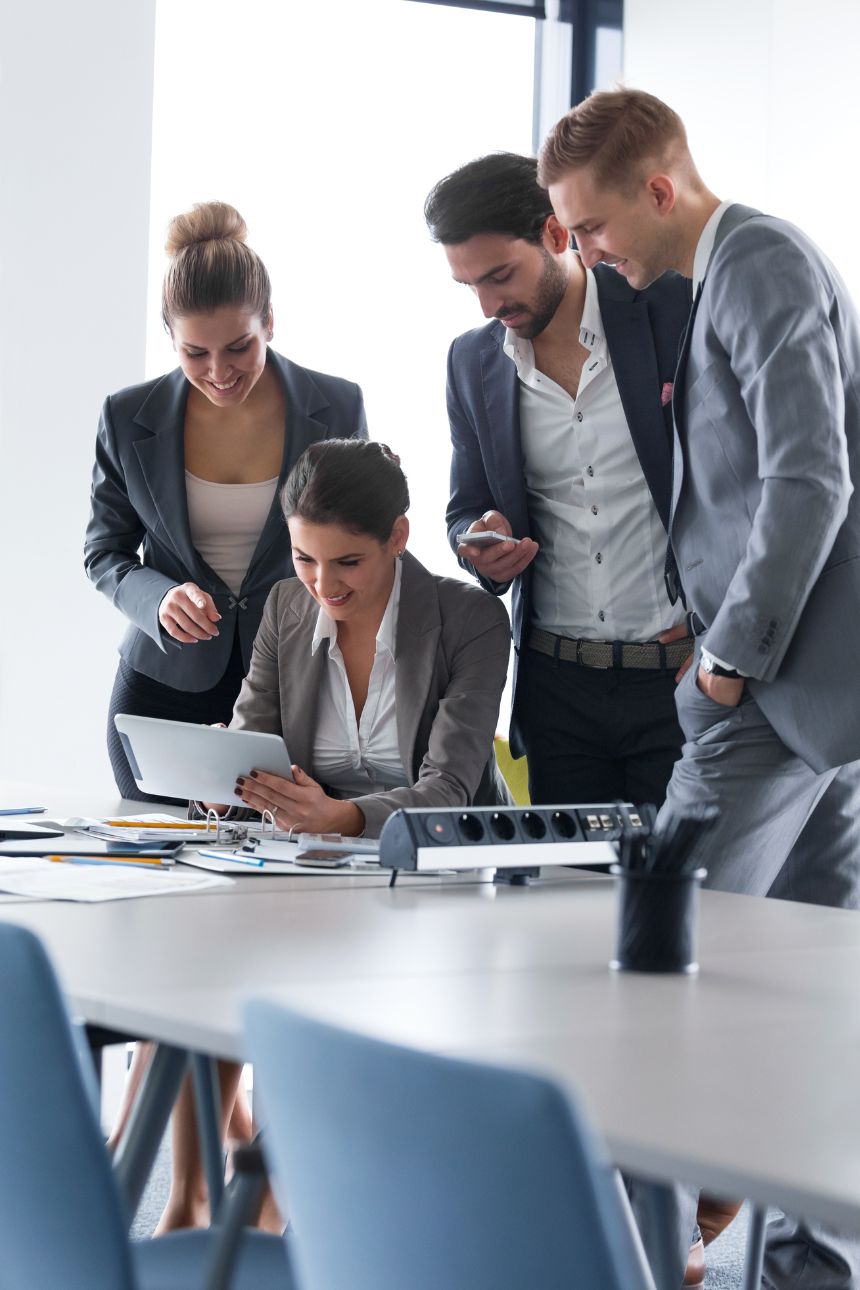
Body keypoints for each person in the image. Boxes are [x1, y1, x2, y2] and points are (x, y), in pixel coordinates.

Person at [539, 87, 860, 1289]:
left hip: (773, 699)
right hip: (822, 704)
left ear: (656, 192)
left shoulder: (757, 262)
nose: (586, 253)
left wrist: (723, 658)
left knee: (645, 979)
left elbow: (807, 482)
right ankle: (807, 1271)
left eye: (589, 228)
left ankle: (621, 1263)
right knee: (818, 995)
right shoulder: (719, 275)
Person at [162, 436, 512, 1232]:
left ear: (398, 535)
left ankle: (274, 1194)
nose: (323, 585)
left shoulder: (469, 620)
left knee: (294, 983)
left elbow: (450, 790)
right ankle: (192, 1196)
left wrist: (344, 816)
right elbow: (255, 736)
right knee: (187, 949)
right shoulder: (287, 608)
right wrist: (226, 781)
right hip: (303, 862)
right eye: (304, 559)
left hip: (426, 869)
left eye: (346, 562)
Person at [426, 153, 693, 811]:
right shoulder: (471, 362)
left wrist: (720, 636)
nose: (490, 305)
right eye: (470, 288)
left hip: (679, 679)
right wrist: (482, 541)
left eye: (500, 276)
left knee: (687, 902)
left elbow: (738, 488)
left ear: (555, 233)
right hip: (556, 689)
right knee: (567, 901)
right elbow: (466, 509)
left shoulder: (671, 310)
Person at [85, 200, 367, 802]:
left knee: (289, 879)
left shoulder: (336, 408)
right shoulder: (127, 416)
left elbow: (362, 546)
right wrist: (158, 597)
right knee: (158, 869)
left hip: (297, 689)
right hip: (164, 684)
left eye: (239, 346)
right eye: (195, 354)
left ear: (269, 320)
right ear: (170, 338)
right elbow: (104, 552)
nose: (219, 371)